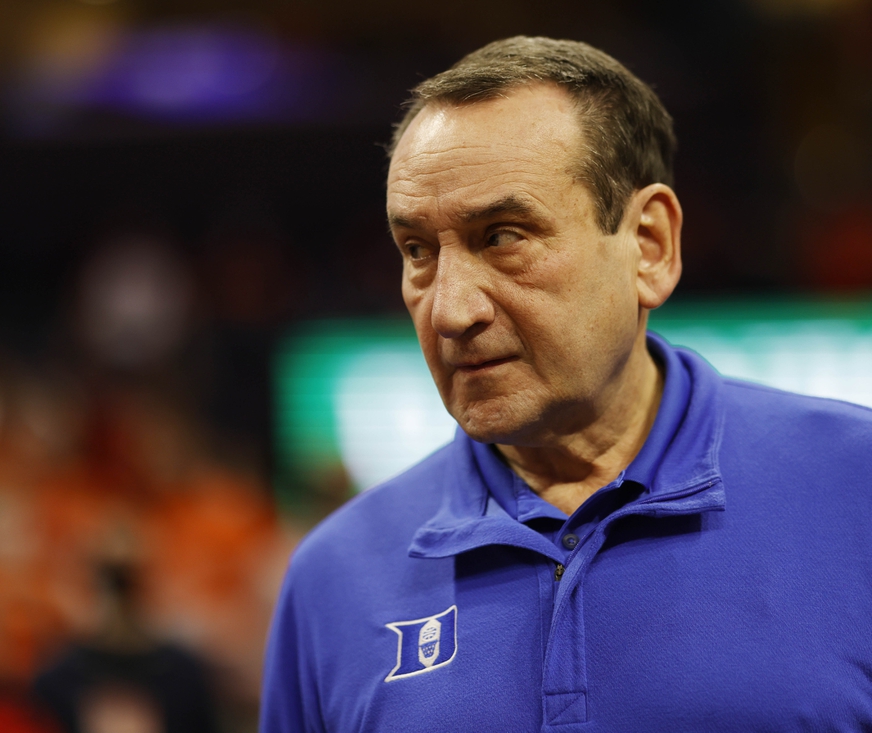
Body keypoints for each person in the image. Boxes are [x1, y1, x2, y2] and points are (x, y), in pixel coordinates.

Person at [260, 36, 872, 731]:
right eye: (417, 251)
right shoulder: (333, 580)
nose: (453, 309)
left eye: (504, 236)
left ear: (649, 245)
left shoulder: (857, 489)